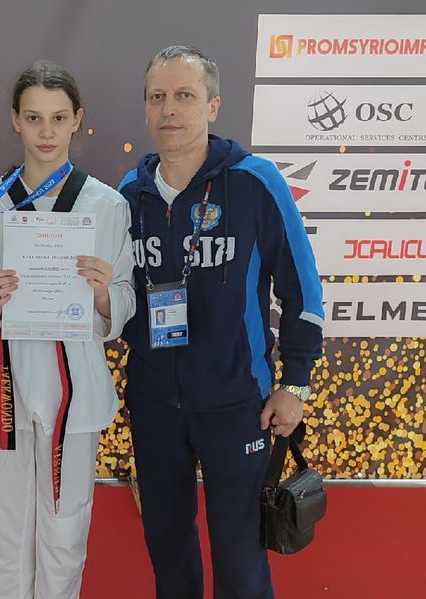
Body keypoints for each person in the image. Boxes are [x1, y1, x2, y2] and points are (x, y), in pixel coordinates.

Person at [118, 46, 324, 598]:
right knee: (166, 545)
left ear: (212, 106)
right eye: (158, 97)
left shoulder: (254, 181)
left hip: (238, 404)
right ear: (146, 108)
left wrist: (295, 384)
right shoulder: (128, 195)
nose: (169, 109)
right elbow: (118, 298)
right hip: (155, 403)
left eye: (184, 95)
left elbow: (303, 289)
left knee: (239, 554)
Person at [0, 60, 135, 599]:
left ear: (77, 119)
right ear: (16, 120)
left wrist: (103, 294)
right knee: (4, 525)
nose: (46, 132)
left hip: (73, 384)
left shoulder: (107, 206)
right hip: (3, 382)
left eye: (58, 117)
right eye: (34, 118)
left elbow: (126, 295)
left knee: (65, 521)